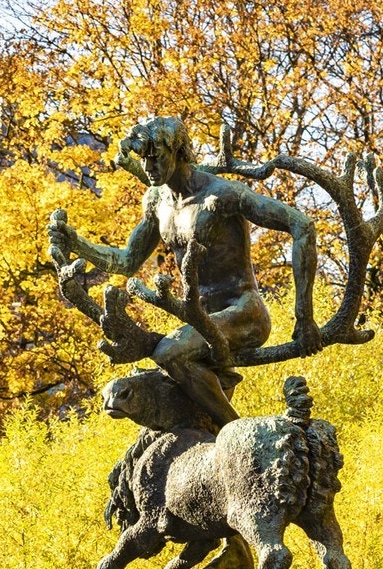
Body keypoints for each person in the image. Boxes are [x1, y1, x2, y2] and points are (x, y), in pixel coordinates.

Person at [49, 116, 320, 426]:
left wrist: (305, 317)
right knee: (168, 365)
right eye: (144, 159)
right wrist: (77, 243)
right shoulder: (156, 201)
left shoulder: (221, 195)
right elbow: (126, 261)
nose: (148, 166)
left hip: (244, 312)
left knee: (167, 353)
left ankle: (234, 431)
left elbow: (302, 225)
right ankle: (211, 428)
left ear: (177, 151)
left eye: (156, 157)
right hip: (199, 319)